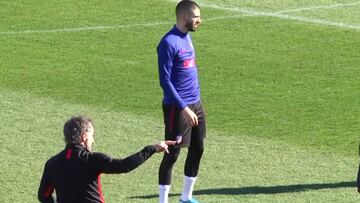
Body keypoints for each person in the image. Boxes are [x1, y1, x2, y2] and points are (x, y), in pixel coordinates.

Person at [38, 116, 176, 203]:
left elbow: (44, 196)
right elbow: (123, 166)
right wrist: (152, 149)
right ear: (84, 136)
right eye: (92, 136)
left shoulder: (52, 163)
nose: (93, 140)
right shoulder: (92, 160)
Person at [157, 1, 205, 203]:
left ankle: (186, 197)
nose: (199, 21)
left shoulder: (187, 38)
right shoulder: (168, 43)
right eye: (196, 17)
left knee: (198, 147)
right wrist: (184, 107)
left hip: (196, 104)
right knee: (172, 153)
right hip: (177, 108)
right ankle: (163, 200)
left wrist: (194, 103)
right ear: (185, 17)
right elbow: (164, 81)